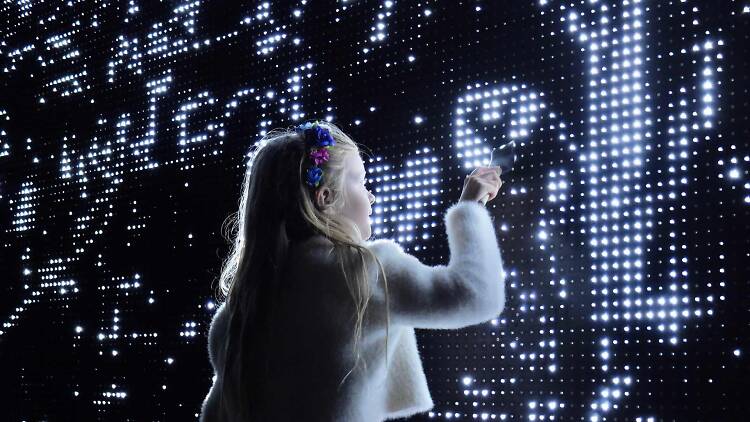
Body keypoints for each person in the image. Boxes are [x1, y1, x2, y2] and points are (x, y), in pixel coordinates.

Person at [199, 121, 506, 422]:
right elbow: (475, 295)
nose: (371, 196)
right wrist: (471, 208)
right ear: (326, 198)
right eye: (360, 180)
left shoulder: (239, 312)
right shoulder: (363, 271)